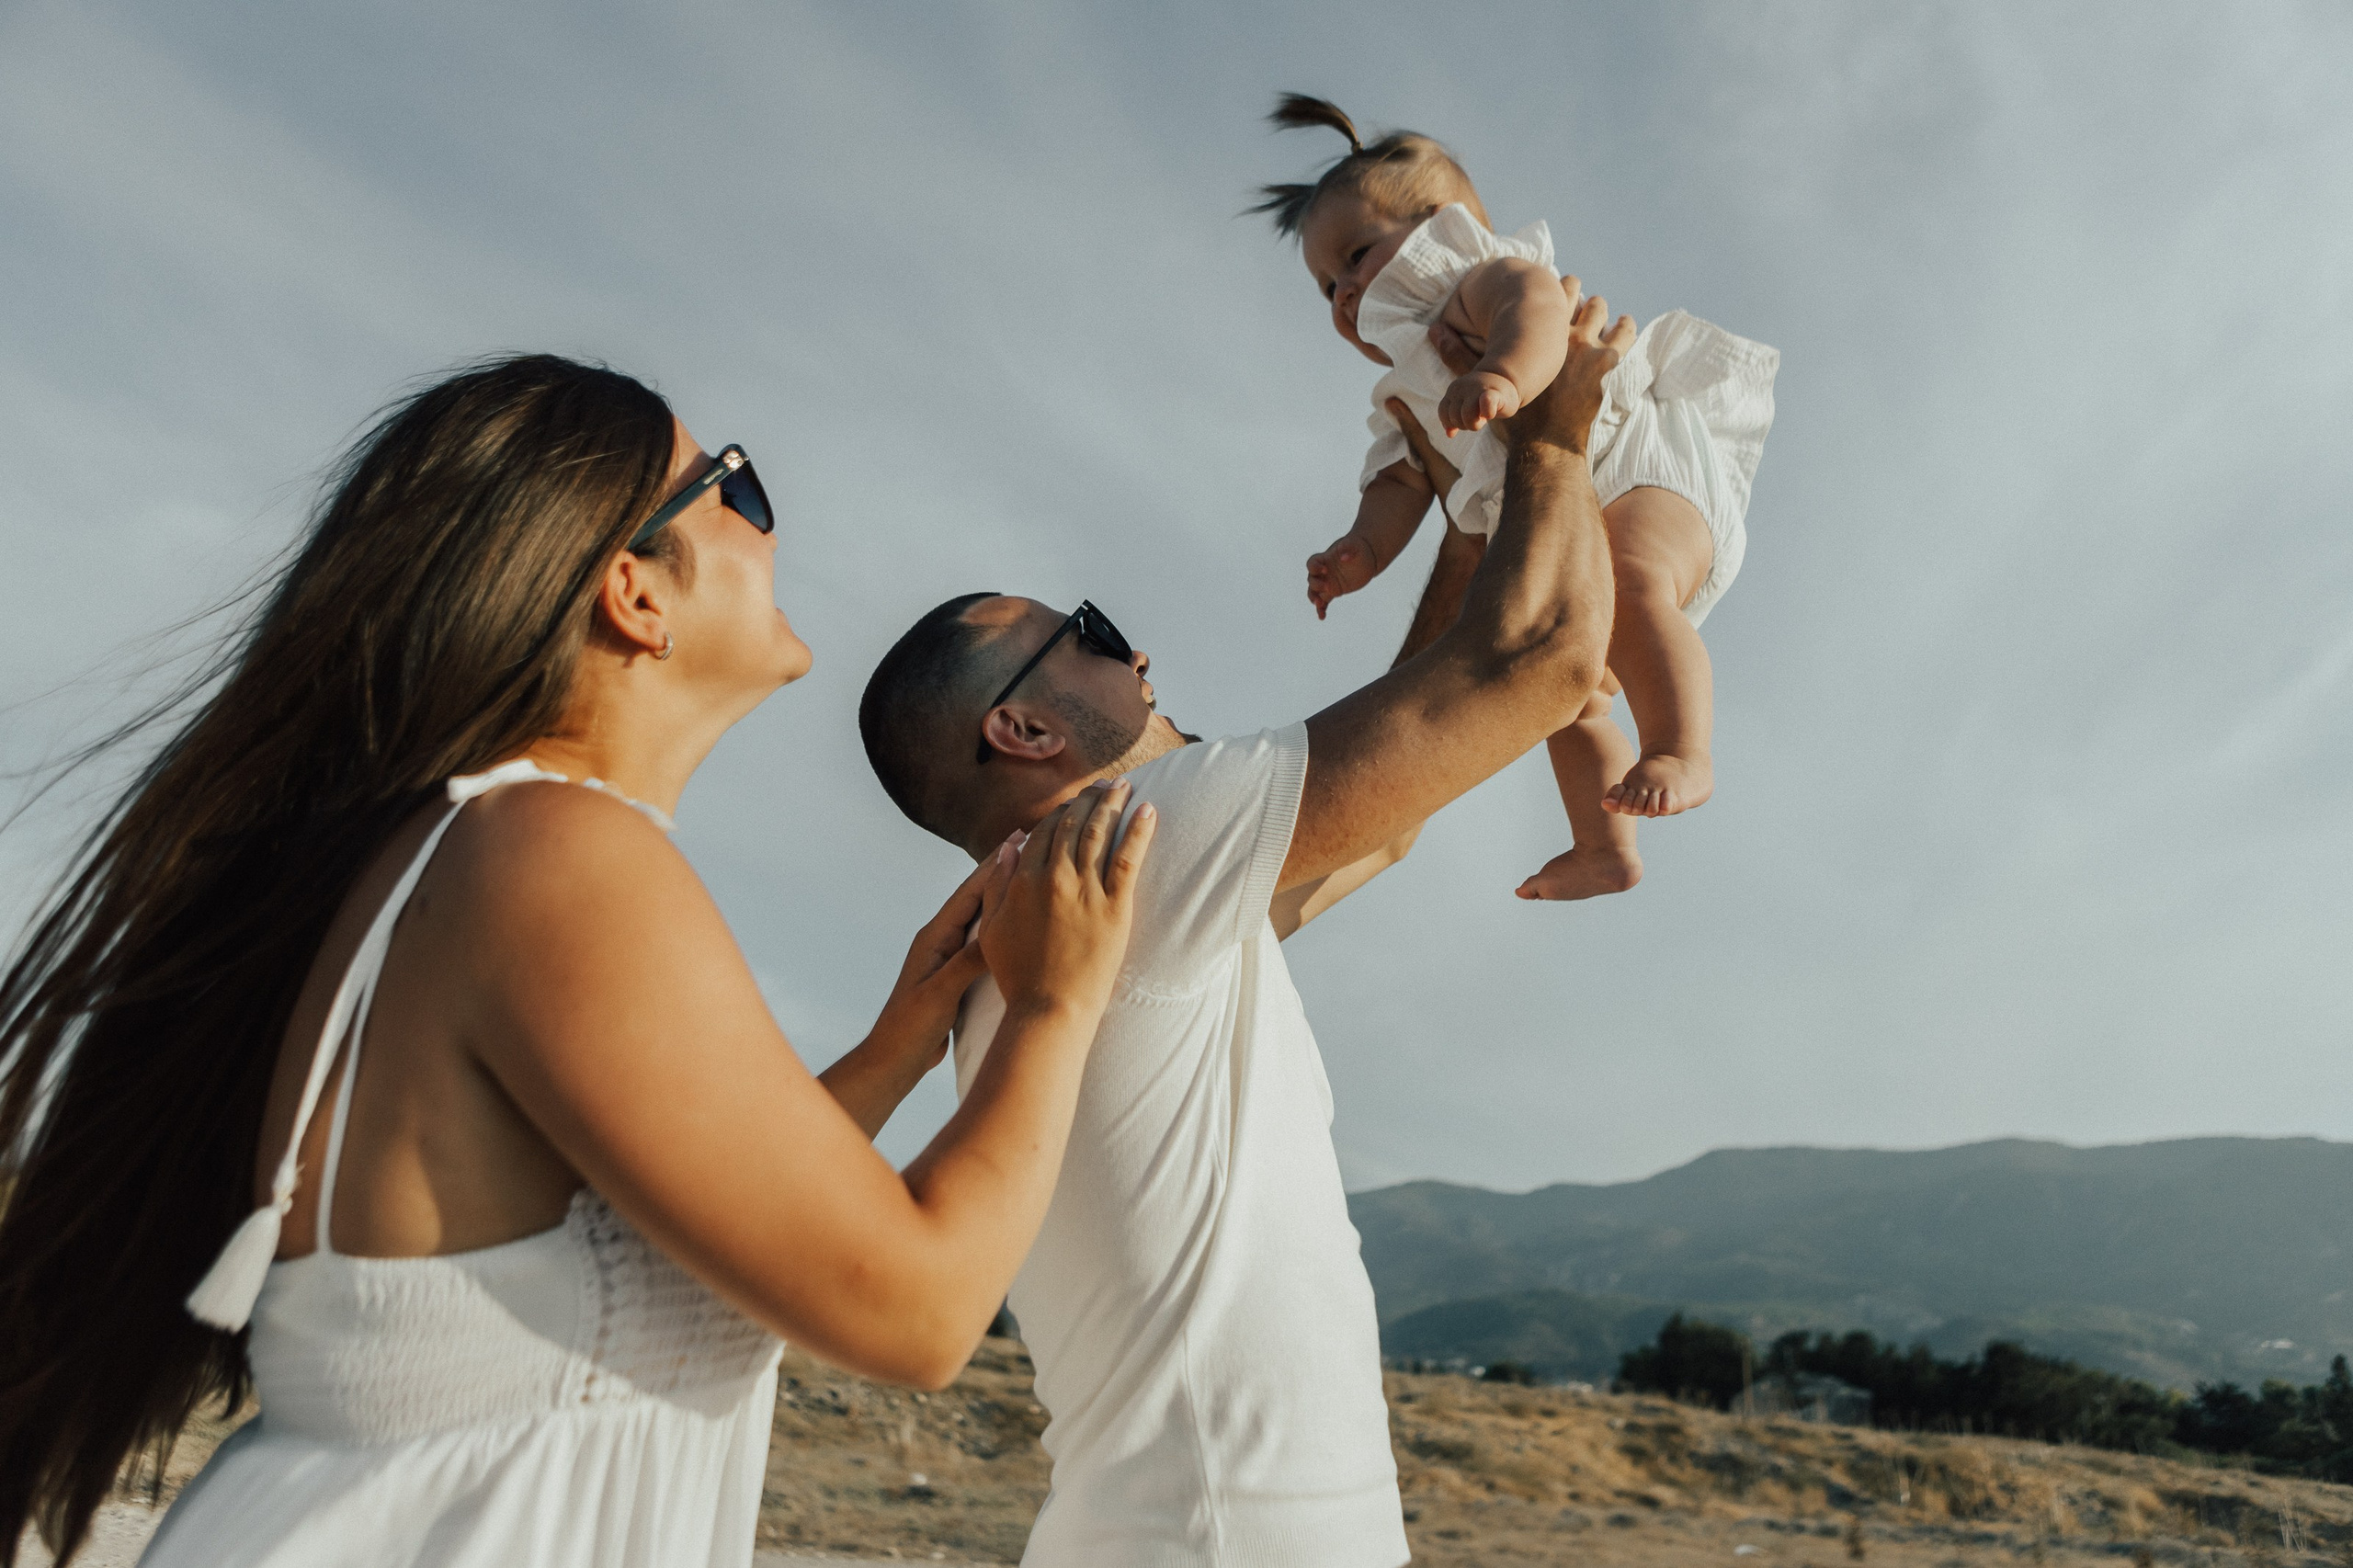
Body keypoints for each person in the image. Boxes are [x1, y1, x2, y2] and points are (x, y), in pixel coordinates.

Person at [0, 355, 1155, 1568]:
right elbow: (919, 1310)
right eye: (732, 491)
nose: (771, 522)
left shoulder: (477, 848)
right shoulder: (553, 851)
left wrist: (896, 1046)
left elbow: (648, 1242)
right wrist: (1051, 1004)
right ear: (633, 593)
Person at [855, 288, 1632, 1566]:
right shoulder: (1127, 835)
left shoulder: (1079, 905)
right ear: (1028, 730)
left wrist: (1465, 510)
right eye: (1090, 634)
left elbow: (1390, 811)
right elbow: (1538, 660)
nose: (1140, 651)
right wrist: (1555, 428)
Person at [1262, 93, 1780, 901]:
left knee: (1638, 585)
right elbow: (1399, 482)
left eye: (1357, 256)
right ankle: (1604, 845)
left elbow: (1538, 314)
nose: (1344, 294)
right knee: (1565, 699)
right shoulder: (1404, 392)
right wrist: (1360, 549)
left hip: (1643, 478)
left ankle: (1683, 747)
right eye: (1327, 286)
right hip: (1571, 535)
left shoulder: (1477, 278)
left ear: (1441, 225)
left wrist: (1503, 373)